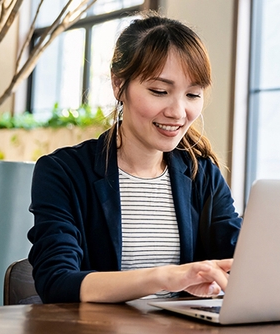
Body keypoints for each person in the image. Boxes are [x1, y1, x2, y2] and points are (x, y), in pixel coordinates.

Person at [27, 13, 242, 304]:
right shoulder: (63, 172)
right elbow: (57, 280)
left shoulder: (201, 174)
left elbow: (242, 258)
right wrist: (167, 277)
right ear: (119, 85)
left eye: (192, 94)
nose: (178, 112)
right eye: (159, 91)